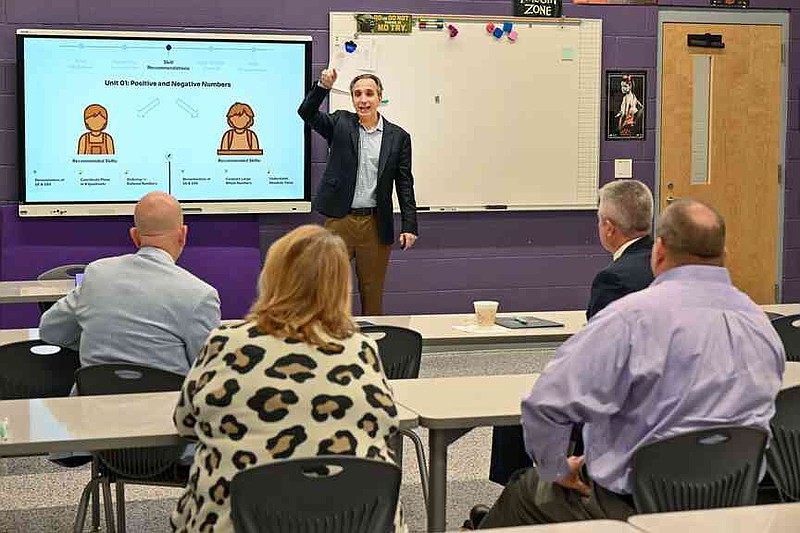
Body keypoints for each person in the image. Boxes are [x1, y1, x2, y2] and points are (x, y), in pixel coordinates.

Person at [469, 199, 785, 529]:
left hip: (632, 506)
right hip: (731, 506)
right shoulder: (761, 325)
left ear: (659, 252)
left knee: (526, 490)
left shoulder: (629, 320)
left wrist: (557, 469)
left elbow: (545, 405)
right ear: (725, 255)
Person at [171, 225, 405, 533]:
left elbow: (185, 422)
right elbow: (388, 425)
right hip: (352, 524)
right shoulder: (361, 349)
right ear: (339, 287)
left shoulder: (226, 343)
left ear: (271, 277)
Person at [489, 180, 655, 487]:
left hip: (621, 403)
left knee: (523, 413)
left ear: (608, 227)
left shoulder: (614, 278)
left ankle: (523, 491)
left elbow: (598, 356)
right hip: (656, 398)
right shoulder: (667, 265)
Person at [39, 191, 220, 376]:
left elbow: (50, 330)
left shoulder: (96, 273)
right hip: (164, 404)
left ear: (135, 236)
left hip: (93, 402)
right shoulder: (201, 295)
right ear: (183, 235)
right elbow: (208, 372)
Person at [298, 68, 418, 315]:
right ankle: (332, 347)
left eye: (369, 94)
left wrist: (409, 225)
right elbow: (306, 112)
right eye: (357, 94)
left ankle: (370, 348)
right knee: (329, 290)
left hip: (375, 223)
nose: (363, 100)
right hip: (340, 220)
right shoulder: (340, 123)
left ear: (380, 97)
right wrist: (322, 86)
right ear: (352, 98)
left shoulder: (398, 137)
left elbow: (404, 183)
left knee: (372, 293)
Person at [586, 179, 654, 320]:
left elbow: (601, 337)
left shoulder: (612, 280)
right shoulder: (672, 265)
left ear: (609, 228)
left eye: (600, 221)